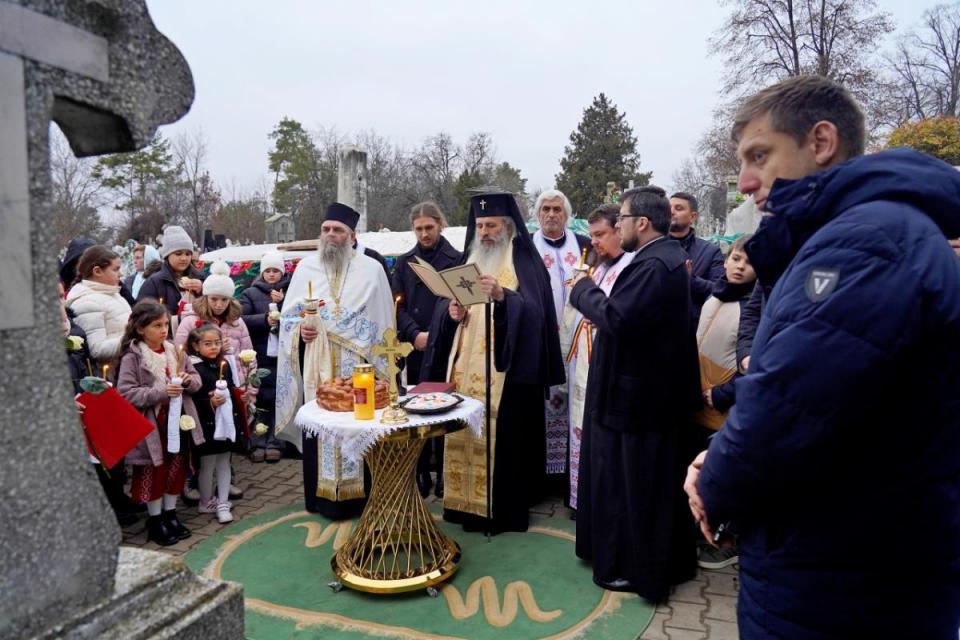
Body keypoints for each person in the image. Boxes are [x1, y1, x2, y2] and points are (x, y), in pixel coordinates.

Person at [683, 75, 960, 638]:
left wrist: (715, 480)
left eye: (760, 155)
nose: (745, 181)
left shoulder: (864, 242)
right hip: (850, 551)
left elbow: (788, 404)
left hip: (845, 574)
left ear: (822, 141)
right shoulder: (861, 233)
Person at [569, 185, 699, 600]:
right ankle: (652, 561)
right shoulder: (663, 258)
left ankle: (636, 568)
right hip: (646, 394)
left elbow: (618, 318)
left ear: (641, 222)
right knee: (646, 486)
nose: (619, 226)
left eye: (622, 219)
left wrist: (582, 289)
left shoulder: (653, 265)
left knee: (636, 488)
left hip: (639, 401)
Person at [421, 192, 565, 533]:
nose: (485, 232)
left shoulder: (525, 261)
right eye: (481, 225)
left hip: (507, 373)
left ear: (508, 227)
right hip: (465, 369)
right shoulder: (469, 258)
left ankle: (501, 512)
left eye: (492, 225)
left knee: (506, 442)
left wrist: (503, 297)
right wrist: (451, 314)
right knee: (463, 432)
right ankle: (463, 507)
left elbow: (535, 314)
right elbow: (447, 308)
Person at [274, 202, 394, 519]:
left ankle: (362, 498)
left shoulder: (372, 270)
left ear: (352, 236)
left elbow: (383, 321)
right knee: (323, 423)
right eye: (325, 229)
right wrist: (301, 330)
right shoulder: (305, 269)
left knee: (359, 423)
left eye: (338, 230)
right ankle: (322, 498)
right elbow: (288, 319)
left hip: (360, 365)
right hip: (318, 362)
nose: (330, 234)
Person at [690, 234, 756, 571]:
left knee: (724, 473)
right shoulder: (714, 295)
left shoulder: (754, 307)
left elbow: (753, 367)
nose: (740, 267)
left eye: (749, 262)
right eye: (735, 259)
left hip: (725, 406)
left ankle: (726, 541)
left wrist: (722, 394)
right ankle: (701, 528)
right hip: (699, 400)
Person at [564, 204, 634, 512]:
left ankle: (599, 501)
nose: (593, 242)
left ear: (619, 230)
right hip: (585, 358)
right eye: (591, 235)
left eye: (600, 234)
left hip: (607, 363)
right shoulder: (600, 266)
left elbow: (619, 316)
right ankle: (581, 497)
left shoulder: (631, 267)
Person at [116, 301, 204, 546]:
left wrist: (188, 381)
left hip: (178, 421)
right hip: (153, 425)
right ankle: (155, 520)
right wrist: (162, 392)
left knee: (176, 468)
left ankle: (170, 514)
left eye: (166, 324)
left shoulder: (174, 350)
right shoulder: (133, 357)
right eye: (157, 325)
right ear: (140, 328)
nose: (164, 330)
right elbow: (125, 393)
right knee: (154, 470)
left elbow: (196, 379)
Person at [391, 201, 462, 497]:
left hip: (446, 344)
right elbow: (397, 304)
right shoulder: (404, 262)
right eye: (419, 229)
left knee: (445, 409)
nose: (424, 234)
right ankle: (420, 470)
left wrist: (441, 329)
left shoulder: (457, 259)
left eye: (429, 227)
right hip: (417, 346)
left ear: (440, 225)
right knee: (417, 409)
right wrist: (413, 334)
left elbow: (462, 301)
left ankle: (444, 471)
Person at [531, 189, 591, 495]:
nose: (552, 214)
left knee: (576, 406)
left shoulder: (583, 245)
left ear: (567, 214)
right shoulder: (527, 248)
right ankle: (545, 478)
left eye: (557, 209)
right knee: (544, 405)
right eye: (546, 209)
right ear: (537, 214)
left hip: (579, 343)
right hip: (542, 342)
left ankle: (573, 477)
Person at [186, 324, 242, 525]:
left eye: (217, 343)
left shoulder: (223, 364)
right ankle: (206, 501)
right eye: (208, 344)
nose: (213, 347)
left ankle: (223, 503)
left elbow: (231, 388)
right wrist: (209, 402)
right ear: (196, 345)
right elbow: (191, 399)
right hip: (206, 424)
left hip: (225, 422)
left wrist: (239, 397)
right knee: (207, 464)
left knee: (224, 462)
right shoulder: (194, 368)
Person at [239, 251, 290, 463]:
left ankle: (276, 442)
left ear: (282, 272)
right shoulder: (250, 293)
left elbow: (300, 316)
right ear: (262, 273)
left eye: (275, 270)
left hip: (284, 356)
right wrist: (264, 319)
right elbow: (241, 319)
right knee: (260, 398)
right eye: (267, 270)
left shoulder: (290, 290)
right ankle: (258, 441)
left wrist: (283, 303)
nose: (271, 274)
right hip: (260, 354)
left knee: (280, 397)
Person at [65, 245, 132, 371]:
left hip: (126, 369)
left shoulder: (113, 294)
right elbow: (95, 349)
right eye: (116, 269)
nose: (121, 274)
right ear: (97, 271)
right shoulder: (86, 302)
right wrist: (134, 339)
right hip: (111, 375)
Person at [668, 192, 724, 325]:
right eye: (668, 208)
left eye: (678, 208)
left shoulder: (710, 252)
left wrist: (691, 280)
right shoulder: (654, 247)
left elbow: (719, 289)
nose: (671, 212)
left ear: (692, 217)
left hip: (693, 326)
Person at [137, 225, 204, 323]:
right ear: (167, 255)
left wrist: (202, 290)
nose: (184, 258)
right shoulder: (154, 283)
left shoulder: (201, 279)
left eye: (188, 254)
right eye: (178, 253)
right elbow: (143, 317)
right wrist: (176, 321)